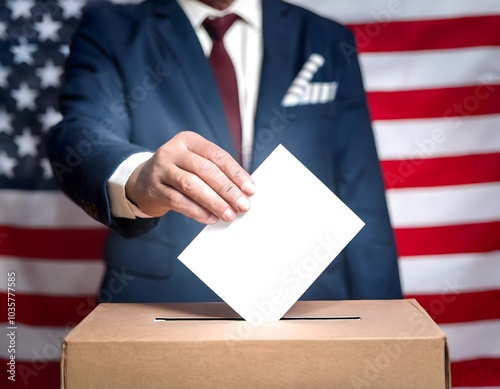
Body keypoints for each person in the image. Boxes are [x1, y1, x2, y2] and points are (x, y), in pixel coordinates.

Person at [45, 0, 402, 303]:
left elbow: (361, 189)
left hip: (311, 302)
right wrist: (139, 177)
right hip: (165, 306)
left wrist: (389, 332)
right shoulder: (113, 30)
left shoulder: (327, 38)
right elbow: (80, 136)